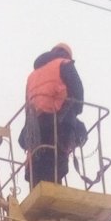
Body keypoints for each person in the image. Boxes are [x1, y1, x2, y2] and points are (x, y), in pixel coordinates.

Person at [19, 42, 86, 188]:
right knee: (56, 161)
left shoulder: (32, 76)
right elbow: (78, 93)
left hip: (35, 128)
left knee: (39, 165)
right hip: (58, 123)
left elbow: (28, 106)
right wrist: (75, 112)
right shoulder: (64, 63)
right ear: (67, 54)